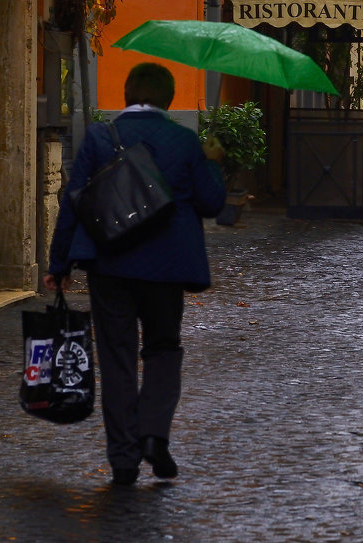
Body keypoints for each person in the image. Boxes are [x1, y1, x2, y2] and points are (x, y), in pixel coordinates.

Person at [45, 62, 227, 487]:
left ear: (126, 94)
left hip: (111, 265)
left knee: (117, 358)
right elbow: (212, 202)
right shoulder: (184, 141)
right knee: (164, 350)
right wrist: (213, 160)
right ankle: (154, 435)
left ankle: (124, 459)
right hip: (166, 269)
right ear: (168, 98)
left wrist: (59, 264)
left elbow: (76, 203)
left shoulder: (99, 137)